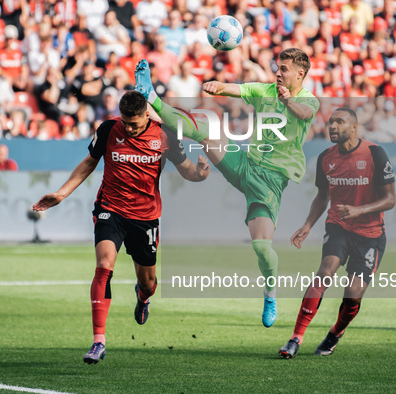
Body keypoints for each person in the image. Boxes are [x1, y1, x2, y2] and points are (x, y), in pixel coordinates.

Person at [134, 47, 320, 328]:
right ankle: (153, 100)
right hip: (244, 163)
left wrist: (288, 101)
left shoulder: (309, 99)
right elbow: (232, 89)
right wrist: (215, 86)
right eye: (277, 68)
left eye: (283, 69)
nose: (278, 73)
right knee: (205, 125)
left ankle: (270, 294)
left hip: (269, 183)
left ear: (300, 74)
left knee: (261, 247)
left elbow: (305, 114)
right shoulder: (264, 90)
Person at [32, 90, 210, 364]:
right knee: (104, 266)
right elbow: (90, 162)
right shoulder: (108, 129)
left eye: (134, 124)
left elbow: (186, 169)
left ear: (146, 115)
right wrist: (61, 193)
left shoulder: (165, 136)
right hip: (110, 209)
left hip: (145, 216)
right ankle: (98, 341)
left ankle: (143, 296)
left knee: (148, 283)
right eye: (125, 122)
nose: (128, 128)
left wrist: (200, 174)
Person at [278, 107, 396, 358]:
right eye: (331, 122)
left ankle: (335, 333)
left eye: (339, 122)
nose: (332, 126)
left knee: (353, 294)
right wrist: (308, 225)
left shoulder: (375, 153)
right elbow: (323, 196)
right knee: (324, 272)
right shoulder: (325, 158)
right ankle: (295, 338)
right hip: (339, 226)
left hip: (371, 234)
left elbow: (390, 199)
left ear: (354, 127)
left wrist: (359, 210)